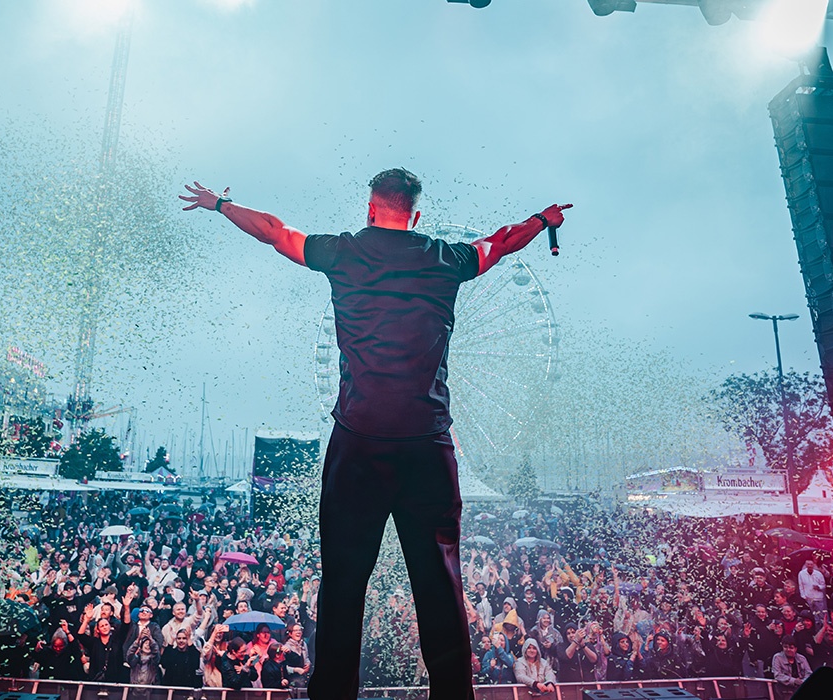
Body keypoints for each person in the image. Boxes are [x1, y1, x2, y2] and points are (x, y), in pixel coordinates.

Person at [181, 170, 571, 700]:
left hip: (358, 444)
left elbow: (274, 230)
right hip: (428, 444)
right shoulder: (446, 258)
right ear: (415, 215)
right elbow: (502, 241)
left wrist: (221, 204)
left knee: (343, 584)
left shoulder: (343, 253)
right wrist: (542, 220)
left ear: (370, 211)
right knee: (440, 583)